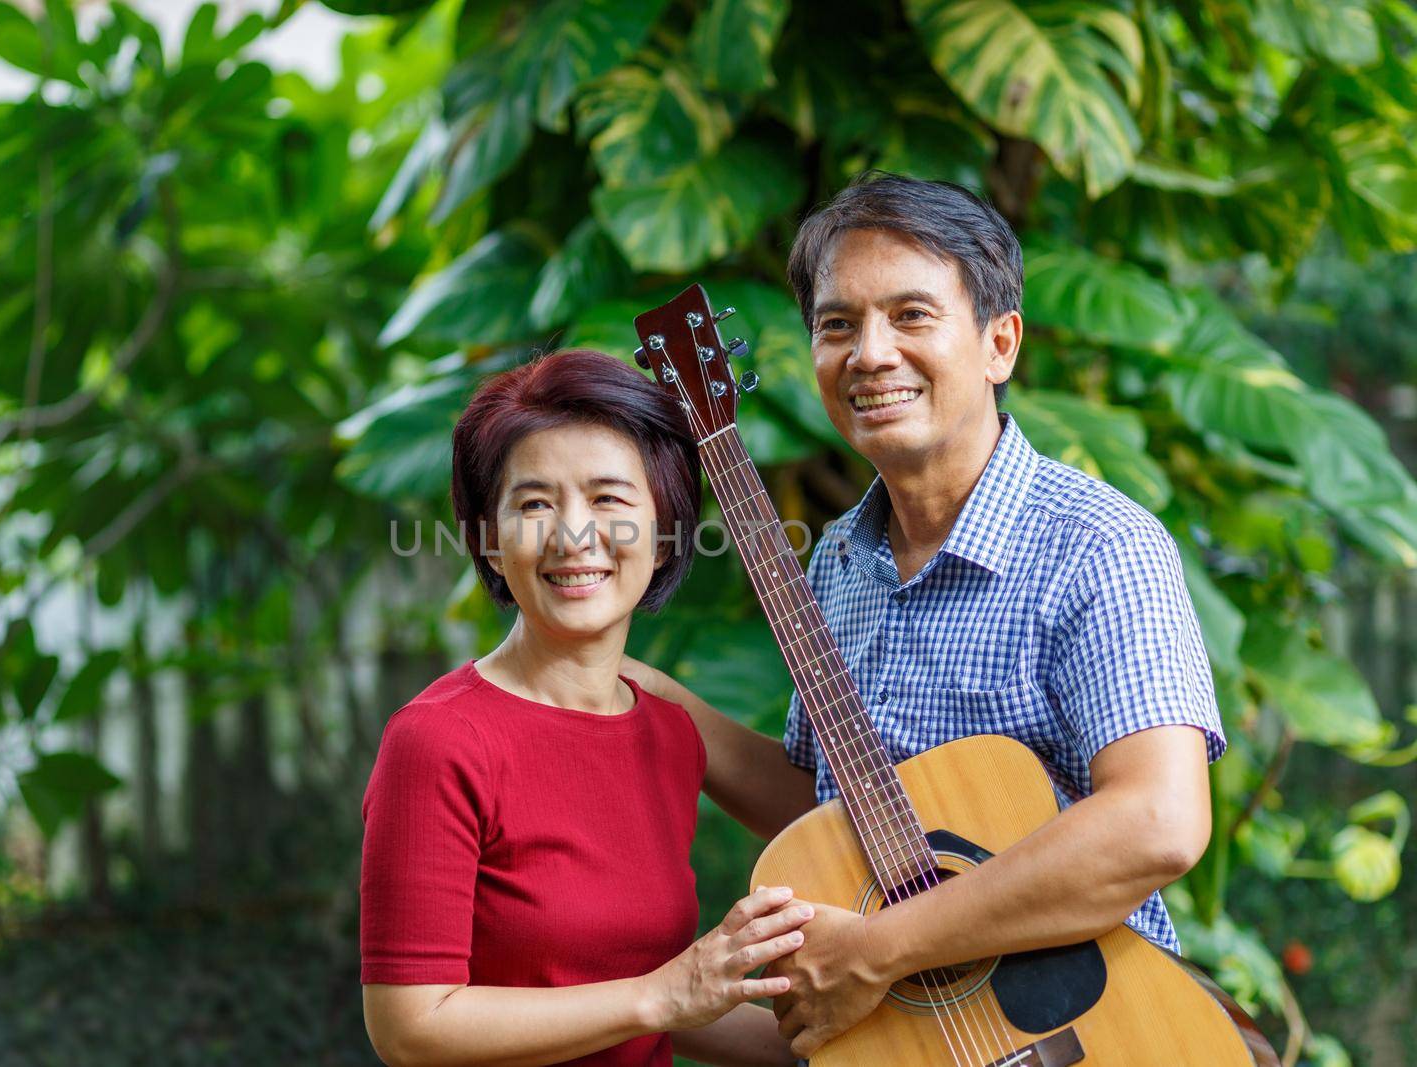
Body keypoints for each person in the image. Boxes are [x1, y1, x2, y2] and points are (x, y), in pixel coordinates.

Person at [622, 172, 1226, 1058]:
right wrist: (657, 700)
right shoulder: (837, 562)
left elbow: (1158, 820)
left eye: (911, 315)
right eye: (838, 325)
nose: (870, 353)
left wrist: (877, 948)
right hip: (920, 1039)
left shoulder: (1098, 546)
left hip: (1098, 1033)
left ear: (999, 343)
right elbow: (844, 809)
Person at [360, 348, 812, 1067]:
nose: (575, 536)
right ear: (486, 536)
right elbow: (411, 1025)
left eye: (609, 499)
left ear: (665, 535)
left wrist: (834, 1051)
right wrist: (663, 995)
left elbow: (634, 998)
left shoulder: (666, 730)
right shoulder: (439, 739)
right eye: (535, 503)